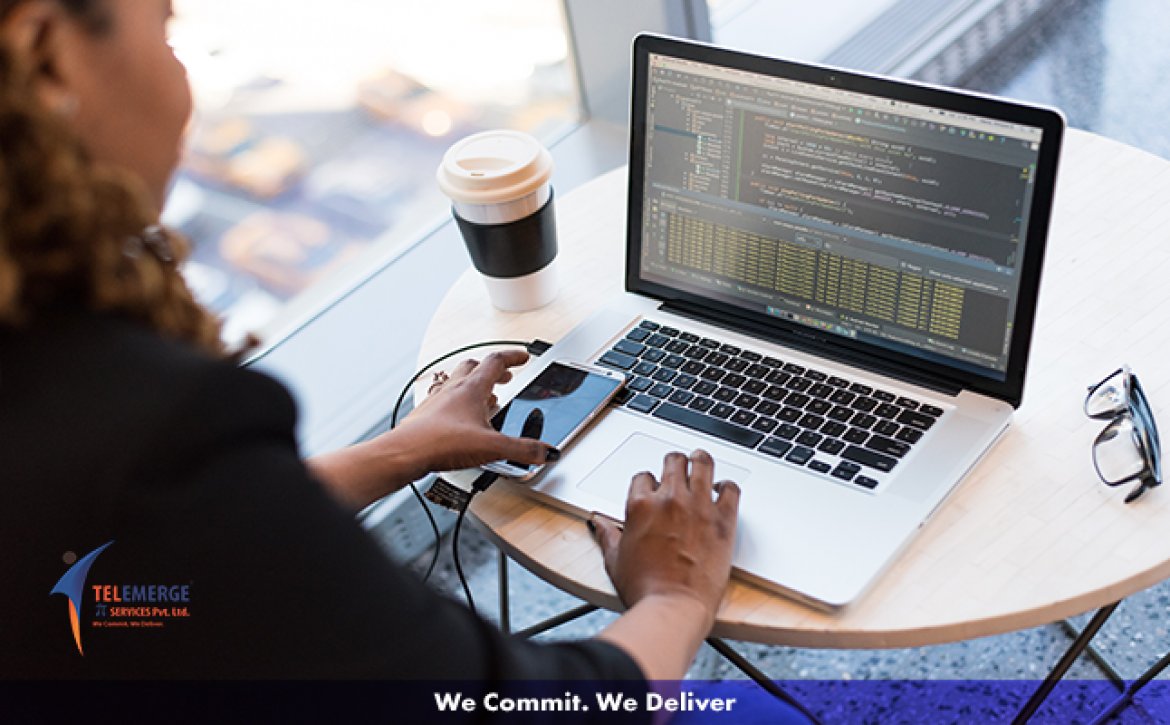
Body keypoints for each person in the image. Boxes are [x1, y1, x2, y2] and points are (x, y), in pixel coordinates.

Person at [0, 0, 742, 697]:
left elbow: (154, 548)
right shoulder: (152, 423)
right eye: (165, 31)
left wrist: (401, 449)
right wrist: (676, 595)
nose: (181, 75)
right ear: (49, 56)